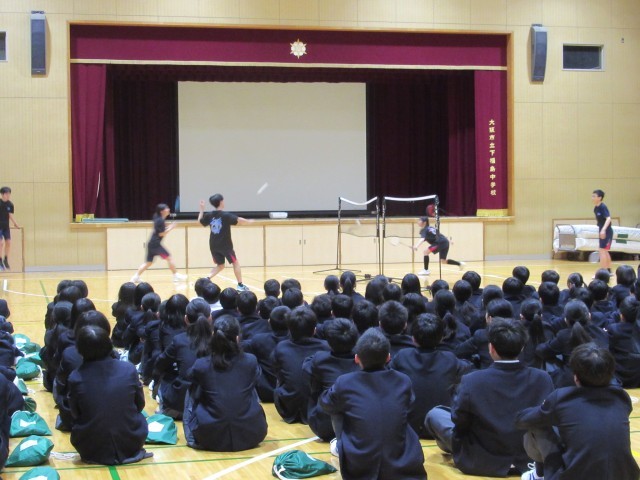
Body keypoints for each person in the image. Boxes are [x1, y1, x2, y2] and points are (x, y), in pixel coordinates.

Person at [425, 318, 554, 477]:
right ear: (522, 347)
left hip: (482, 458)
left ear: (491, 348)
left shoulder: (472, 380)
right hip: (529, 457)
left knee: (435, 414)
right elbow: (549, 420)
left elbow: (459, 420)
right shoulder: (543, 378)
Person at [516, 343, 640, 480]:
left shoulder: (562, 397)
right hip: (626, 476)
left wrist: (541, 407)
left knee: (538, 425)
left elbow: (523, 420)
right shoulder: (622, 397)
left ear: (575, 376)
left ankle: (538, 474)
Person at [319, 328, 427, 480]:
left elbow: (325, 404)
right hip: (402, 461)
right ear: (388, 357)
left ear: (357, 358)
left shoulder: (345, 382)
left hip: (359, 465)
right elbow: (409, 407)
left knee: (337, 408)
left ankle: (340, 446)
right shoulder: (403, 380)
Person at [68, 325, 150, 465]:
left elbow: (75, 413)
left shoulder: (76, 377)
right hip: (132, 441)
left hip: (90, 447)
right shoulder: (128, 369)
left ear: (80, 350)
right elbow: (140, 404)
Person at [184, 315, 267, 451]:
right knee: (248, 383)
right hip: (252, 435)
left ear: (214, 336)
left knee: (193, 388)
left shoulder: (201, 364)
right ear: (237, 338)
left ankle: (190, 436)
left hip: (209, 437)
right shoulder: (250, 360)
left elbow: (188, 376)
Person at [390, 314, 473, 438]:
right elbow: (469, 368)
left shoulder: (402, 356)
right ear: (441, 338)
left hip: (410, 429)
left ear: (413, 338)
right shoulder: (450, 359)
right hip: (441, 429)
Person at [303, 318, 360, 441]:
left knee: (315, 380)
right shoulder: (362, 358)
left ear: (328, 342)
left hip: (324, 427)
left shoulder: (320, 358)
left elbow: (305, 368)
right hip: (358, 425)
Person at [198, 193, 253, 291]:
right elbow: (238, 220)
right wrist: (249, 221)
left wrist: (202, 209)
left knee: (220, 265)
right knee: (235, 262)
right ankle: (240, 285)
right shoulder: (226, 215)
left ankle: (205, 280)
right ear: (221, 202)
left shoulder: (209, 215)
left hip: (213, 245)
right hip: (225, 245)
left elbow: (200, 222)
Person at [131, 203, 187, 283]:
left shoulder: (158, 218)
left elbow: (162, 230)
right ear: (162, 211)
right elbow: (161, 233)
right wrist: (171, 227)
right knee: (169, 258)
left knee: (148, 262)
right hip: (156, 245)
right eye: (166, 208)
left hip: (151, 244)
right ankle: (176, 276)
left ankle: (135, 277)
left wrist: (169, 226)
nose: (168, 209)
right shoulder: (160, 220)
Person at [592, 189, 613, 273]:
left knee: (602, 250)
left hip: (606, 231)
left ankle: (603, 272)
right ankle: (609, 271)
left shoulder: (603, 207)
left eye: (594, 196)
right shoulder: (595, 208)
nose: (592, 198)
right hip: (602, 231)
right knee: (604, 251)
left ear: (600, 198)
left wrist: (603, 230)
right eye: (592, 196)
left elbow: (608, 219)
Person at [0, 186, 19, 271]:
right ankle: (0, 260)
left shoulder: (10, 204)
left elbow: (10, 215)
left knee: (8, 242)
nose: (8, 195)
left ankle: (5, 259)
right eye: (6, 194)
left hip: (6, 227)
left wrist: (15, 223)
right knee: (1, 243)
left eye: (9, 194)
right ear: (2, 194)